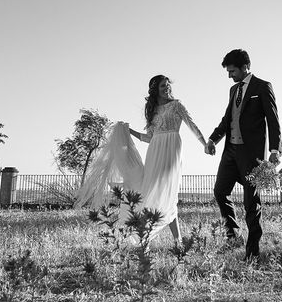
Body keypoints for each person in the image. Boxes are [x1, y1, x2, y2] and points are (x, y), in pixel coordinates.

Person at [76, 75, 207, 245]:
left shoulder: (177, 105)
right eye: (162, 86)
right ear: (155, 90)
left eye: (168, 85)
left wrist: (205, 143)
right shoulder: (153, 110)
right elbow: (148, 138)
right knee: (151, 193)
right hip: (155, 152)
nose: (167, 88)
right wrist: (129, 131)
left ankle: (176, 240)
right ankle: (156, 239)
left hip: (172, 151)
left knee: (169, 193)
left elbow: (192, 125)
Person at [205, 49, 281, 260]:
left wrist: (274, 150)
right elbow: (227, 118)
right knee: (220, 191)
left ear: (245, 67)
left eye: (232, 71)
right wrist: (213, 139)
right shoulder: (233, 90)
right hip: (230, 151)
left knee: (251, 203)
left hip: (251, 155)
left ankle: (252, 253)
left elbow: (273, 120)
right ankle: (233, 235)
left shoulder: (262, 87)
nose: (230, 75)